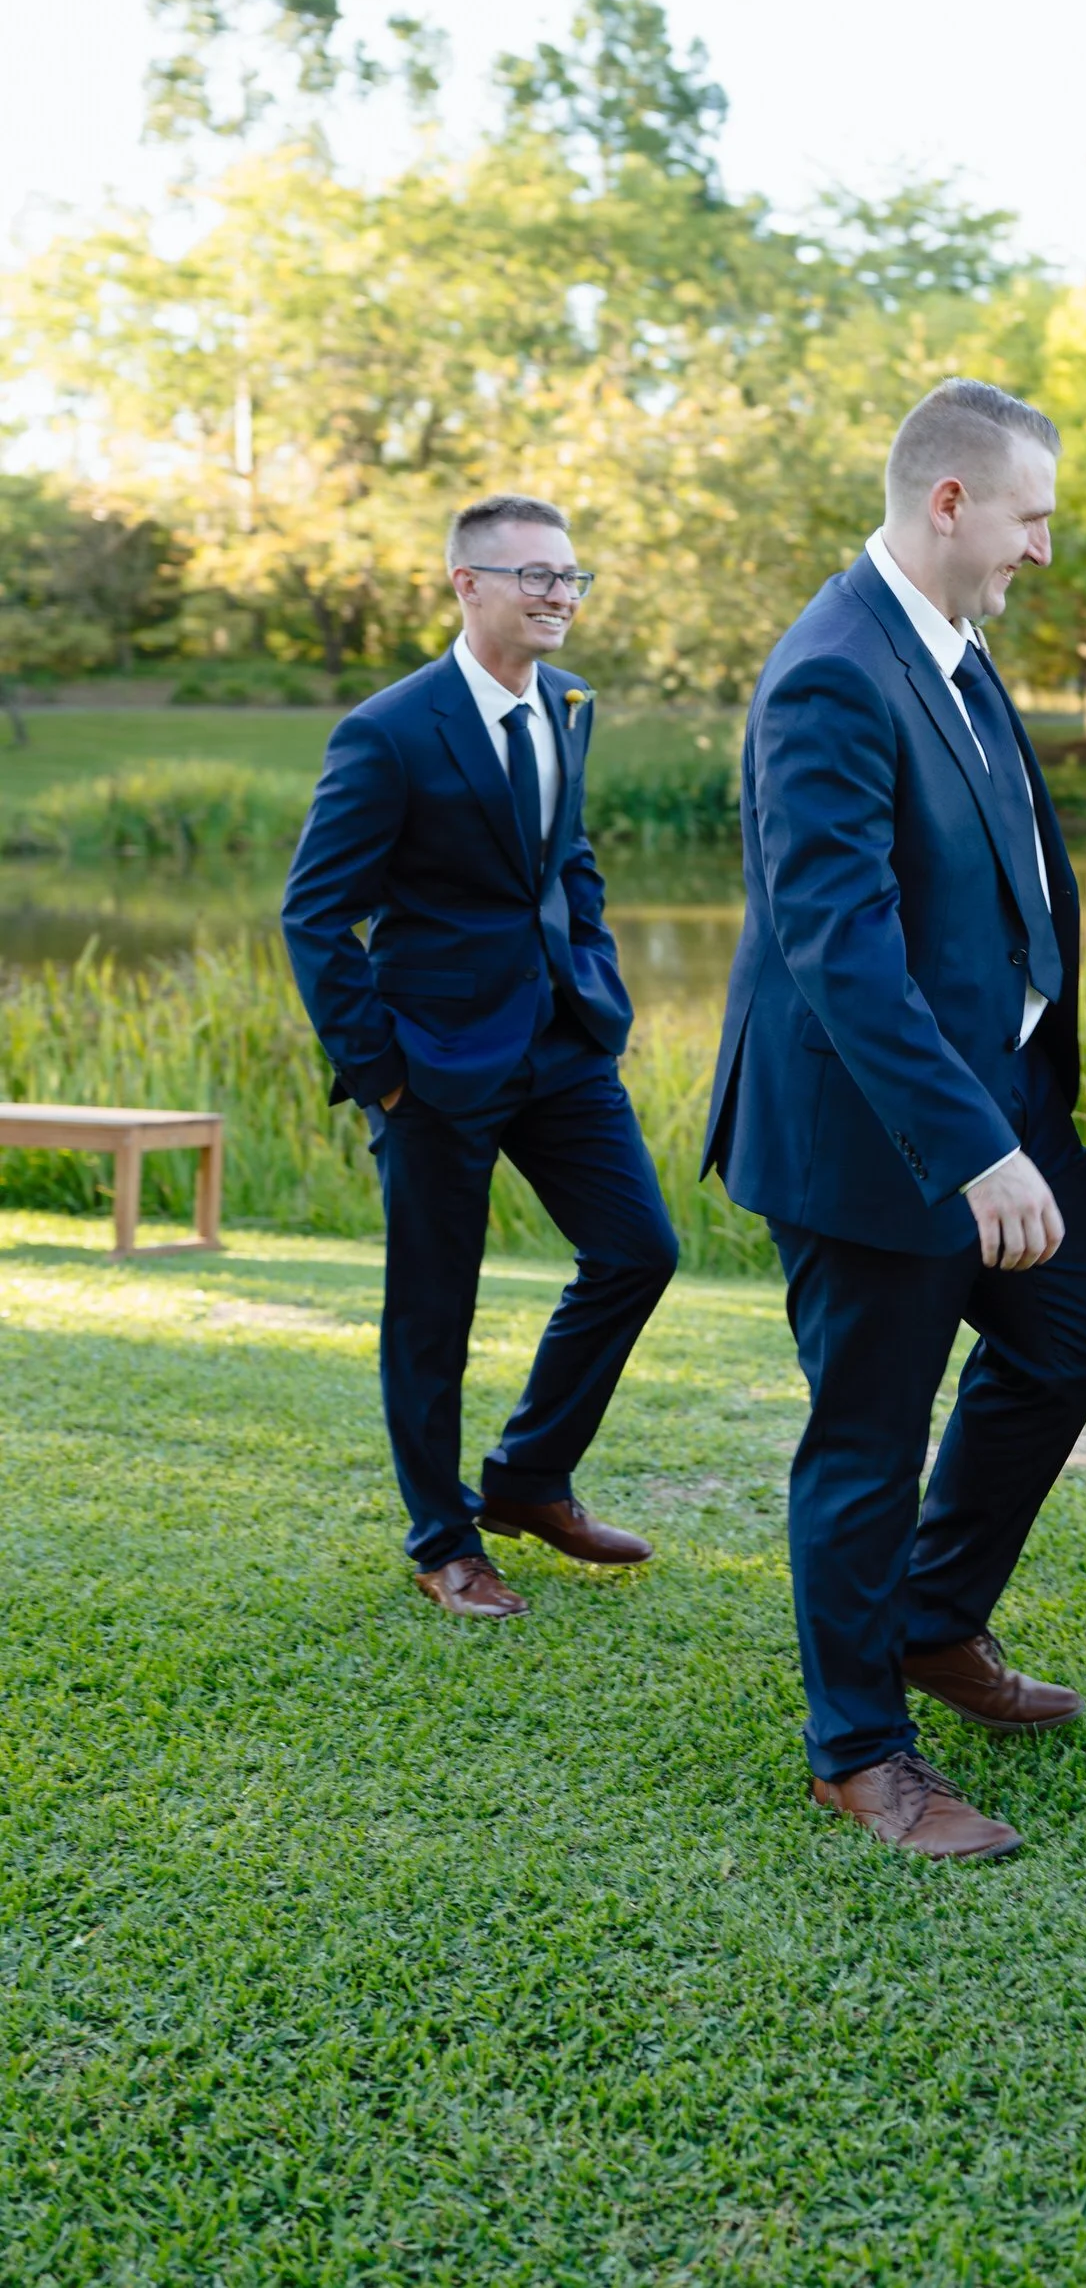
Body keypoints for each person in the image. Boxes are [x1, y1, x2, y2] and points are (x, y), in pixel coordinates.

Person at [704, 379, 1086, 1862]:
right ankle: (859, 1750)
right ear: (950, 501)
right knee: (871, 1433)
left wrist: (1026, 1098)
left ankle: (937, 1620)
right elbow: (840, 948)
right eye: (1031, 516)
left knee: (1071, 1339)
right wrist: (973, 1145)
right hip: (879, 1130)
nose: (1042, 548)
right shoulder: (832, 668)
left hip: (999, 1094)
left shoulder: (948, 643)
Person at [282, 496, 678, 1617]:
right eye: (532, 575)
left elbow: (569, 857)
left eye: (570, 575)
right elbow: (317, 917)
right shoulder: (389, 729)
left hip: (561, 1045)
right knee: (432, 1308)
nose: (557, 594)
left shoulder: (569, 701)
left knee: (638, 1249)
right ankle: (443, 1536)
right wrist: (383, 1071)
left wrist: (597, 978)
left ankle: (528, 1477)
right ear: (465, 582)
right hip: (433, 1064)